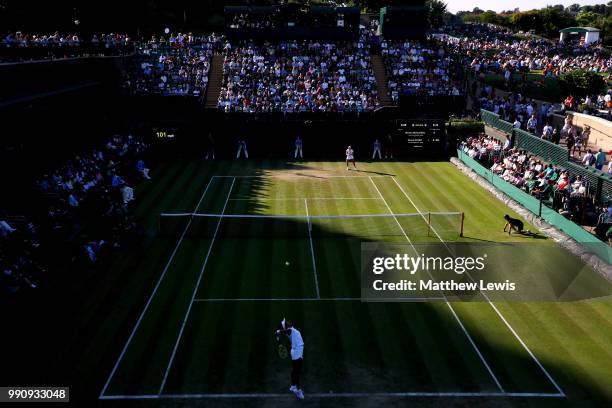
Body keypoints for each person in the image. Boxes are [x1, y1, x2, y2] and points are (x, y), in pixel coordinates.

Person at [276, 319, 305, 400]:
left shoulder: (290, 330)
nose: (288, 322)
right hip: (297, 351)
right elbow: (286, 330)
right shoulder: (290, 330)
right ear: (286, 327)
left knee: (294, 370)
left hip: (295, 350)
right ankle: (298, 390)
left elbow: (284, 331)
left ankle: (293, 386)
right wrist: (279, 332)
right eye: (286, 323)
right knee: (297, 371)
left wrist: (278, 333)